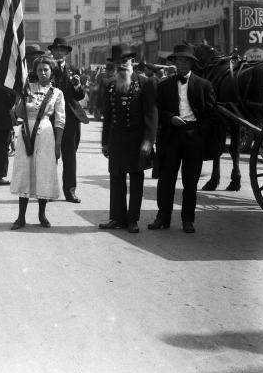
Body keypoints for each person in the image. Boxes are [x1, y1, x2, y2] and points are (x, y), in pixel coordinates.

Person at [150, 44, 218, 234]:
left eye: (186, 60)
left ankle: (188, 220)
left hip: (193, 137)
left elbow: (212, 114)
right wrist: (170, 118)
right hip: (171, 136)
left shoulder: (204, 85)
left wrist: (199, 132)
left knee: (190, 182)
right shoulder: (163, 86)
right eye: (179, 60)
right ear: (174, 63)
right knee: (166, 180)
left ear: (191, 63)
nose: (182, 64)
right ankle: (162, 218)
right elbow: (157, 111)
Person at [98, 44, 157, 234]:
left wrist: (149, 140)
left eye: (125, 61)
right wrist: (105, 142)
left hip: (137, 140)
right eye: (118, 62)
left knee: (136, 179)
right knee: (116, 178)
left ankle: (132, 220)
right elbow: (107, 116)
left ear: (133, 61)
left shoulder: (145, 83)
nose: (122, 65)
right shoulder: (110, 85)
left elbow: (151, 114)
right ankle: (117, 218)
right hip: (116, 140)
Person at [10, 56, 65, 229]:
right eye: (40, 70)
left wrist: (57, 145)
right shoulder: (28, 88)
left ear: (51, 72)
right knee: (24, 171)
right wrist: (20, 97)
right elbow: (18, 114)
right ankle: (21, 217)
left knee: (43, 172)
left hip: (46, 134)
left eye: (46, 70)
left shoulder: (57, 93)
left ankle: (42, 215)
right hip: (27, 132)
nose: (42, 73)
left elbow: (60, 121)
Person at [47, 37, 88, 203]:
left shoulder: (73, 70)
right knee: (50, 156)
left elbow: (79, 96)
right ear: (52, 52)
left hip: (70, 119)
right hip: (50, 118)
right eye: (56, 50)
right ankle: (48, 191)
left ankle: (70, 191)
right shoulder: (46, 69)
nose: (59, 53)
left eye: (62, 50)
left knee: (69, 156)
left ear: (66, 53)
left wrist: (77, 86)